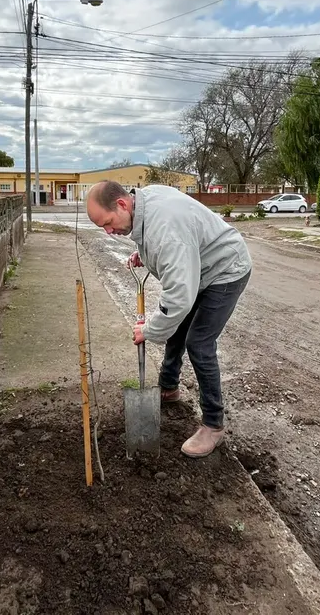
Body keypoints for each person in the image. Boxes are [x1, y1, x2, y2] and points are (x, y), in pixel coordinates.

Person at [85, 180, 252, 458]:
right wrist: (145, 254)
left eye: (108, 223)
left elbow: (177, 299)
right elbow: (161, 240)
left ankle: (213, 425)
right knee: (177, 330)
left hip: (225, 269)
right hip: (199, 267)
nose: (109, 231)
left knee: (199, 342)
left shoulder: (167, 231)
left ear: (122, 204)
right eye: (103, 227)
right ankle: (169, 388)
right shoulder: (144, 203)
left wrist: (148, 330)